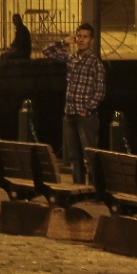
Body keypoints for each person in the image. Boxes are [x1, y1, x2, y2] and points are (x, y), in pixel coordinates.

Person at [43, 23, 105, 184]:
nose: (81, 40)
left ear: (91, 40)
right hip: (69, 113)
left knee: (89, 155)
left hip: (85, 116)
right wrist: (64, 41)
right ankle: (78, 186)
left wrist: (87, 109)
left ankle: (93, 188)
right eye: (79, 36)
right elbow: (47, 51)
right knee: (74, 156)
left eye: (85, 37)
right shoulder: (70, 58)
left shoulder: (95, 63)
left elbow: (100, 91)